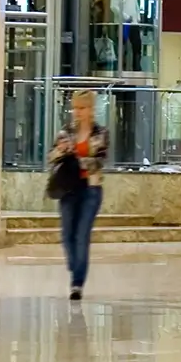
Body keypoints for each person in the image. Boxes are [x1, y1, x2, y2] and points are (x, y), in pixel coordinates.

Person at [48, 90, 108, 300]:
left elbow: (99, 162)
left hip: (91, 189)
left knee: (82, 235)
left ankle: (77, 283)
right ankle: (76, 268)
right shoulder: (66, 132)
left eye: (82, 108)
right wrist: (62, 151)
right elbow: (51, 156)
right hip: (68, 188)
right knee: (67, 236)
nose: (78, 112)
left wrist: (76, 158)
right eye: (75, 108)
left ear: (91, 109)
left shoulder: (100, 133)